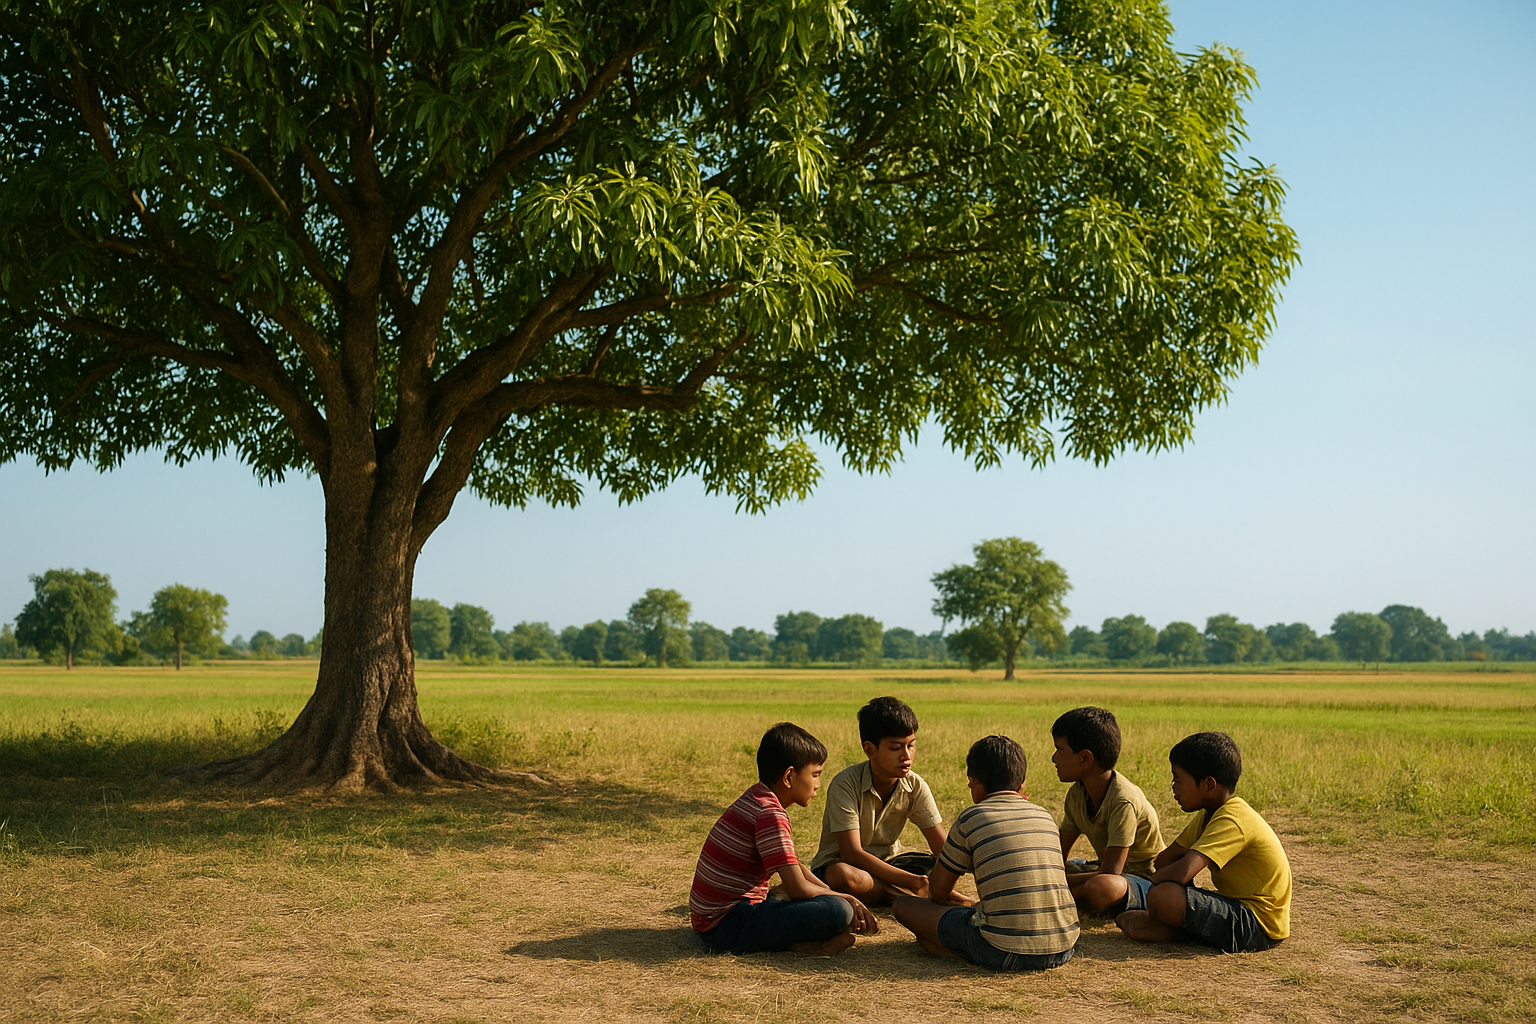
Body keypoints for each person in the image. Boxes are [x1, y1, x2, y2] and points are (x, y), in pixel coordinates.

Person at [689, 722, 879, 954]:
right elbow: (798, 887)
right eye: (815, 775)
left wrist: (836, 893)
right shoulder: (770, 814)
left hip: (716, 919)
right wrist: (845, 899)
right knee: (838, 911)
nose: (818, 784)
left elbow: (796, 869)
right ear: (789, 776)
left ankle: (803, 939)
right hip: (725, 926)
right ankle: (800, 945)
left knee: (825, 901)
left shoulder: (757, 798)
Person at [892, 735, 1079, 971]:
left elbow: (938, 892)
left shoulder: (972, 818)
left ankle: (950, 947)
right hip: (1064, 946)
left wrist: (962, 907)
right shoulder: (1045, 816)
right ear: (1021, 786)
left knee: (903, 906)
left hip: (1003, 950)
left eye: (970, 786)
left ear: (974, 782)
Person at [1115, 731, 1291, 953]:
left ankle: (1178, 933)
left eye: (1178, 779)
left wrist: (1151, 884)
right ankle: (1178, 927)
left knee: (1162, 897)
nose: (1173, 786)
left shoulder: (1232, 819)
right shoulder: (1208, 815)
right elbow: (1165, 860)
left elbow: (1182, 871)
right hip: (1237, 908)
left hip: (1259, 925)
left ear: (1209, 785)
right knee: (1136, 914)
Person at [809, 696, 956, 904]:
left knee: (941, 866)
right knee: (844, 876)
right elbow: (851, 854)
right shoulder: (845, 784)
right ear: (869, 750)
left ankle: (891, 889)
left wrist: (945, 877)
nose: (906, 755)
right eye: (895, 748)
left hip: (890, 864)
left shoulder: (915, 785)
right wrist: (913, 882)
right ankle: (900, 897)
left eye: (911, 745)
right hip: (844, 864)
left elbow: (942, 847)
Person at [1051, 706, 1164, 914]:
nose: (1053, 759)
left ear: (1085, 759)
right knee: (1046, 868)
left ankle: (1062, 900)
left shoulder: (1123, 801)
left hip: (1143, 880)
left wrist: (1057, 883)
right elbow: (1057, 853)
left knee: (1100, 888)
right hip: (1104, 870)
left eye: (1059, 750)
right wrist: (1051, 873)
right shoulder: (1077, 794)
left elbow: (1112, 871)